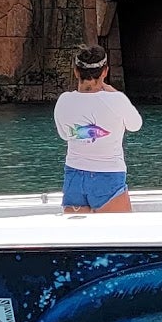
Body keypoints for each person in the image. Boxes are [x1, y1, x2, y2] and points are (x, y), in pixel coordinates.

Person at [55, 43, 141, 214]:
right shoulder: (116, 100)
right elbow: (135, 125)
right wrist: (114, 92)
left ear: (76, 72)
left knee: (77, 232)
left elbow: (65, 135)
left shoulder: (63, 101)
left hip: (74, 177)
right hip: (108, 177)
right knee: (119, 231)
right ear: (104, 72)